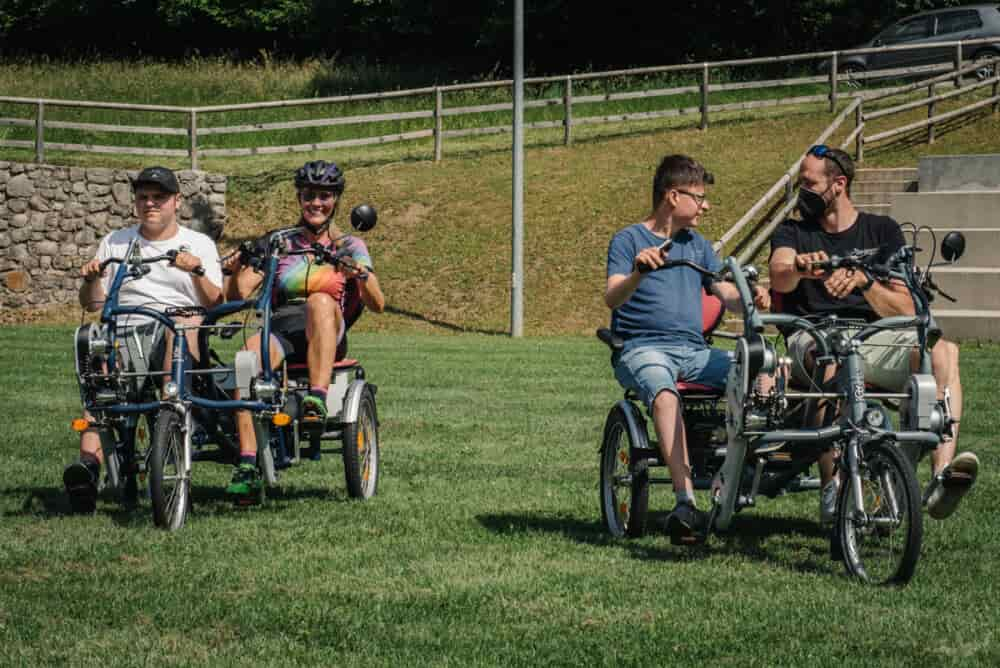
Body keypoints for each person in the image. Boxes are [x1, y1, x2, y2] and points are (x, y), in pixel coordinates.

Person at [769, 145, 978, 523]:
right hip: (814, 336)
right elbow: (778, 273)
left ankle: (939, 477)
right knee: (835, 359)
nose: (802, 191)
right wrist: (801, 266)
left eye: (809, 183)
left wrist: (866, 283)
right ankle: (833, 488)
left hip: (875, 337)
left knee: (943, 348)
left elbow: (908, 309)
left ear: (838, 185)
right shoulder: (794, 231)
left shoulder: (882, 231)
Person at [605, 154, 770, 543]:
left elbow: (721, 289)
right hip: (642, 350)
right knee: (664, 395)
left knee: (762, 369)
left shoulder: (696, 244)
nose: (705, 205)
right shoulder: (628, 240)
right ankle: (686, 503)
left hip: (694, 351)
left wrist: (749, 298)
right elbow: (613, 297)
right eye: (698, 197)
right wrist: (638, 272)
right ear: (672, 195)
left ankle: (743, 466)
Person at [223, 159, 385, 504]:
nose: (316, 203)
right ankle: (248, 465)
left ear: (336, 200)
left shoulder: (349, 245)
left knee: (319, 302)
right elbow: (237, 296)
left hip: (327, 329)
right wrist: (234, 271)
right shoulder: (279, 242)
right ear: (298, 197)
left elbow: (378, 303)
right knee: (246, 357)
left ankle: (316, 398)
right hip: (282, 329)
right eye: (309, 195)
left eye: (324, 196)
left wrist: (358, 274)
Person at [66, 166, 223, 512]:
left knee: (179, 325)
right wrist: (91, 279)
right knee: (99, 380)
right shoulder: (116, 242)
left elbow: (215, 301)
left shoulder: (198, 244)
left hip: (179, 329)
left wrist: (196, 270)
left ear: (176, 202)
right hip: (126, 330)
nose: (150, 203)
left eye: (159, 197)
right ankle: (87, 472)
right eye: (143, 197)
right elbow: (94, 304)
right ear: (135, 202)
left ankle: (170, 406)